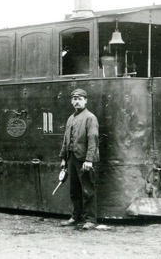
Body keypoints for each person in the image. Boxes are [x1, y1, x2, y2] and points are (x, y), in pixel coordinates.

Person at [59, 88, 99, 230]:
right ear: (71, 101)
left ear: (85, 101)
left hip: (84, 160)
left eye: (79, 99)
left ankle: (90, 220)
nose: (76, 101)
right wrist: (64, 158)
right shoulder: (71, 118)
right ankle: (76, 217)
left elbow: (92, 139)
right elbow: (66, 139)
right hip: (72, 159)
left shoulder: (90, 118)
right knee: (74, 190)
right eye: (74, 99)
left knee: (88, 190)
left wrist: (89, 160)